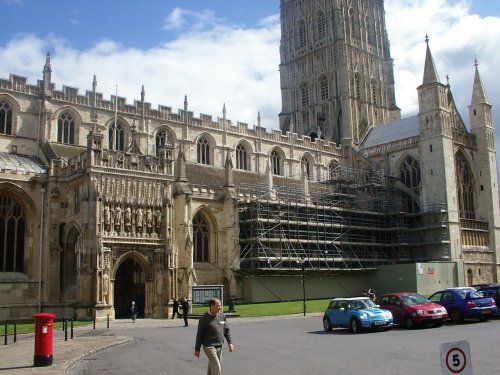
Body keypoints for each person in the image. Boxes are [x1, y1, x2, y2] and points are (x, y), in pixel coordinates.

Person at [195, 298, 234, 375]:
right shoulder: (204, 318)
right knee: (216, 366)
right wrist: (197, 349)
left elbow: (226, 330)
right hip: (209, 346)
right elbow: (200, 334)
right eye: (218, 306)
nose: (220, 307)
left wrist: (230, 343)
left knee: (212, 366)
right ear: (212, 306)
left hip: (219, 345)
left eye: (220, 305)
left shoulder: (222, 316)